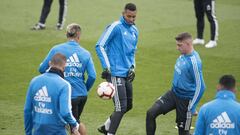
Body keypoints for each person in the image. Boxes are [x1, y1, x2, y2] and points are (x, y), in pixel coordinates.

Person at [39, 23, 96, 135]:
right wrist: (85, 88)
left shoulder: (56, 49)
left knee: (70, 125)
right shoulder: (86, 53)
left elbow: (42, 69)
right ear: (79, 36)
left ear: (66, 34)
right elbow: (92, 76)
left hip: (67, 95)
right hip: (82, 95)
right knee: (76, 122)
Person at [146, 32, 206, 135]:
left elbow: (201, 86)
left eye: (179, 45)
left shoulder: (194, 62)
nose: (177, 48)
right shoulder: (182, 56)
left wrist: (192, 106)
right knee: (151, 113)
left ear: (188, 44)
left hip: (186, 100)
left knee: (183, 132)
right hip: (173, 94)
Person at [95, 3, 138, 135]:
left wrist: (133, 68)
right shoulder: (115, 27)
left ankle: (106, 126)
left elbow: (132, 53)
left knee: (128, 105)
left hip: (126, 73)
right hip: (114, 72)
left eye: (134, 17)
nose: (131, 19)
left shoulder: (135, 31)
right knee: (121, 107)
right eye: (129, 16)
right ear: (123, 13)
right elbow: (100, 45)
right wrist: (106, 67)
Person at [24, 53, 80, 135]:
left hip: (38, 130)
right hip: (57, 131)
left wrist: (28, 132)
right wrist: (74, 124)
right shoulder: (64, 85)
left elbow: (27, 110)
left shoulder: (34, 81)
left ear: (50, 63)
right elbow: (65, 112)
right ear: (64, 67)